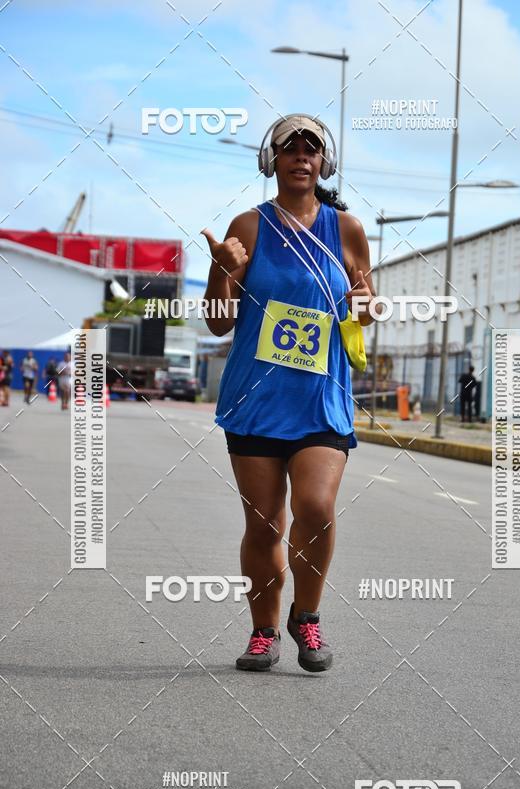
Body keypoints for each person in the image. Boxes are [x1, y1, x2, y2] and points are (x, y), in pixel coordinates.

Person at [202, 114, 377, 673]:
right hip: (256, 400)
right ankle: (263, 631)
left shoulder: (346, 229)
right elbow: (218, 323)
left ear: (323, 162)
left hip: (321, 397)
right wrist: (219, 272)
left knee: (317, 509)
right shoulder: (249, 227)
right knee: (265, 524)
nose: (301, 156)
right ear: (272, 159)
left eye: (311, 149)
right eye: (290, 148)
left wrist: (368, 308)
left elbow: (363, 302)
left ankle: (307, 617)